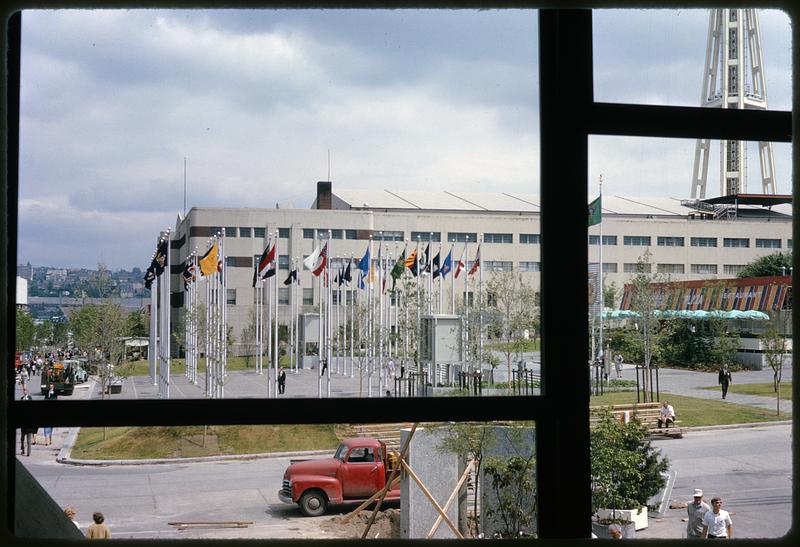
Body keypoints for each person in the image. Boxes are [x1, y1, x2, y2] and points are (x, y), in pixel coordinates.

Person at [20, 392, 36, 456]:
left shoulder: (30, 398)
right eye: (24, 391)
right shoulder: (22, 398)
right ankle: (23, 448)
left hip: (29, 427)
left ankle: (28, 450)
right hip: (24, 426)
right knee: (22, 438)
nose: (24, 392)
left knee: (28, 437)